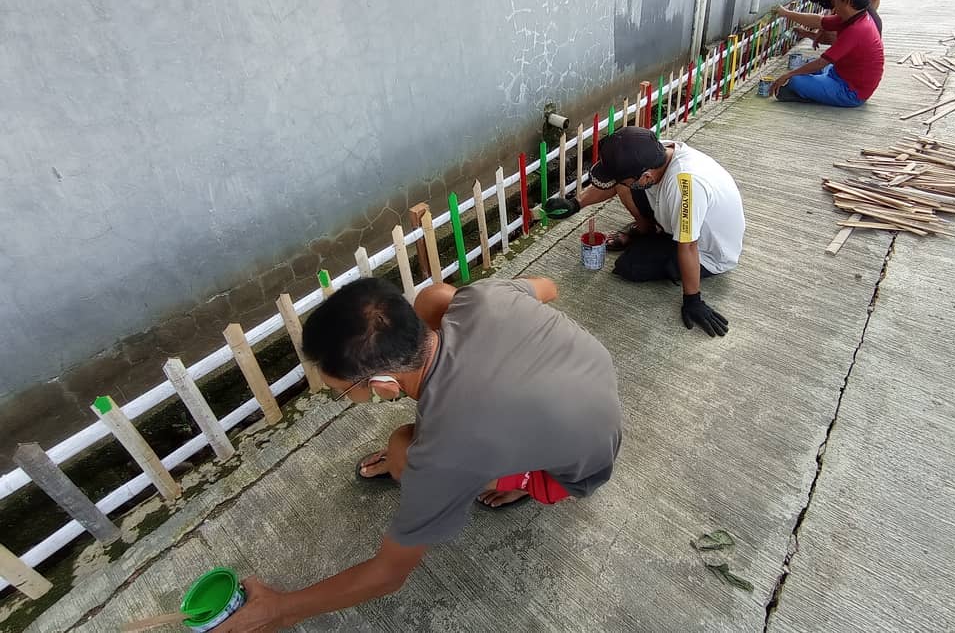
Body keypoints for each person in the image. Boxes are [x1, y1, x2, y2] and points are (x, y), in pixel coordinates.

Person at [217, 276, 622, 631]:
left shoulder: (443, 455)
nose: (343, 396)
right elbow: (549, 287)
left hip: (574, 471)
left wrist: (280, 611)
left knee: (402, 451)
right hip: (592, 392)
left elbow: (387, 575)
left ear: (383, 385)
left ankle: (523, 484)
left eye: (343, 391)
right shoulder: (484, 297)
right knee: (436, 297)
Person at [543, 126, 743, 338]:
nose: (618, 182)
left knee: (630, 267)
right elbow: (616, 184)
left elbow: (689, 245)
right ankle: (646, 230)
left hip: (707, 250)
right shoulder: (654, 152)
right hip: (682, 221)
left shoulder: (685, 186)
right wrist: (575, 204)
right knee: (625, 185)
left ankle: (650, 236)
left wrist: (693, 300)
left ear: (646, 176)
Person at [770, 0, 884, 107]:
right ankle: (816, 87)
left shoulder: (857, 29)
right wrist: (786, 13)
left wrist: (787, 75)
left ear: (847, 1)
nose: (834, 2)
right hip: (839, 73)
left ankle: (810, 92)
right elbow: (819, 21)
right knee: (806, 65)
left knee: (795, 81)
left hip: (851, 91)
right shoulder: (853, 16)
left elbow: (821, 62)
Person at [793, 0, 882, 46]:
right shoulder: (854, 4)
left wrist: (809, 34)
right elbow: (825, 23)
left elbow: (827, 31)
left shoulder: (848, 10)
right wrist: (810, 34)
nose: (829, 2)